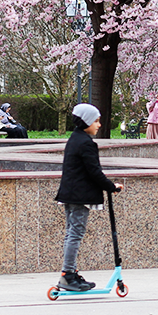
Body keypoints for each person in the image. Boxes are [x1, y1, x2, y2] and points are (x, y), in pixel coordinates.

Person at [54, 103, 124, 292]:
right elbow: (94, 172)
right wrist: (111, 187)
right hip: (79, 196)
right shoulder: (86, 143)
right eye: (96, 121)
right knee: (75, 234)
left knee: (71, 233)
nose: (99, 125)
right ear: (85, 121)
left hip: (70, 193)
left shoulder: (74, 139)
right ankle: (67, 275)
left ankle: (70, 272)